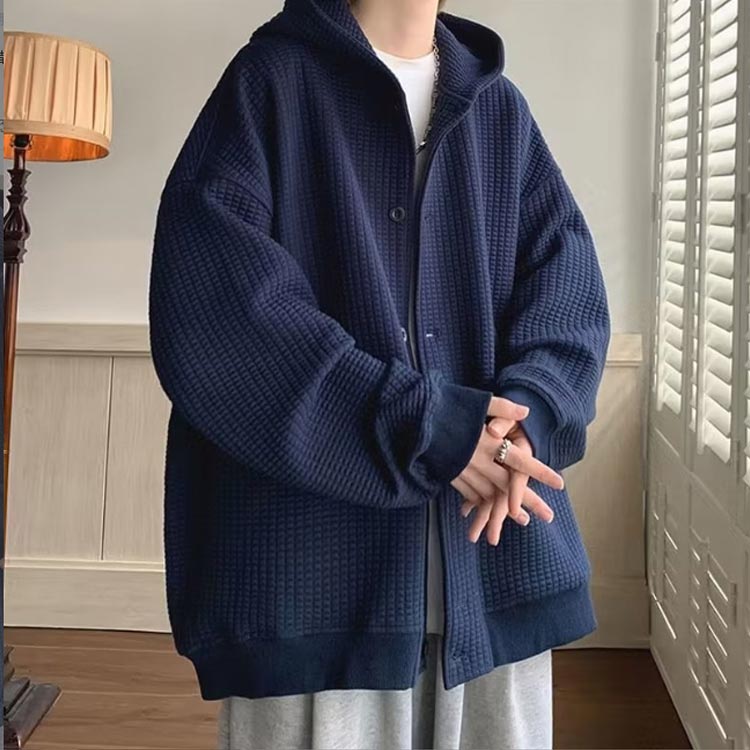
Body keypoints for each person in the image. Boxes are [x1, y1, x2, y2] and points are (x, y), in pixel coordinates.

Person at [147, 0, 611, 747]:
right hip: (313, 586)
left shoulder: (500, 111)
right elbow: (219, 314)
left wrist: (518, 427)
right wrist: (432, 430)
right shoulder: (269, 83)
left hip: (495, 557)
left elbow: (569, 295)